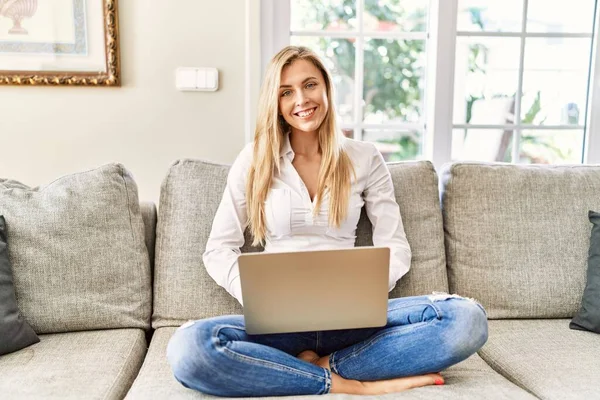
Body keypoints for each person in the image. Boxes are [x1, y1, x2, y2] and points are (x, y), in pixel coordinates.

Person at [166, 46, 488, 397]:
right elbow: (218, 249)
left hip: (354, 323)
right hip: (277, 326)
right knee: (190, 348)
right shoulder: (255, 159)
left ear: (327, 89)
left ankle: (322, 365)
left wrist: (366, 293)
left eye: (310, 85)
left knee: (466, 319)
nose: (301, 99)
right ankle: (347, 383)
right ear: (275, 102)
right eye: (286, 92)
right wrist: (256, 298)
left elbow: (394, 245)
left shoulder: (363, 157)